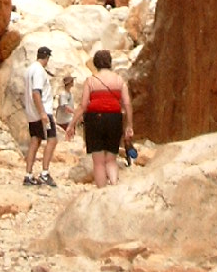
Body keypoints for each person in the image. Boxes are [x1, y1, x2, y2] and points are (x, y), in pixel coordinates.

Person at [66, 48, 133, 187]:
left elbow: (83, 105)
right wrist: (129, 125)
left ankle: (102, 190)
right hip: (114, 118)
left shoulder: (91, 81)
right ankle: (114, 185)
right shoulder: (119, 80)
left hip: (94, 119)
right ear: (110, 62)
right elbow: (127, 103)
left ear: (96, 63)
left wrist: (71, 125)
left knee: (98, 162)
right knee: (111, 159)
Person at [22, 44, 58, 187]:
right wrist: (42, 112)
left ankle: (28, 175)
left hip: (31, 113)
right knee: (52, 139)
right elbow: (36, 92)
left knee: (35, 141)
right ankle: (44, 173)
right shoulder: (39, 71)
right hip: (42, 111)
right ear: (47, 57)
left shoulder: (29, 70)